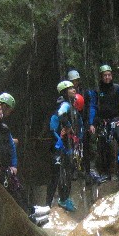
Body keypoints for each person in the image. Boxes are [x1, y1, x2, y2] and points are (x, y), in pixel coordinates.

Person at [0, 98, 49, 226]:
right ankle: (26, 219)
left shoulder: (3, 128)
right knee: (10, 195)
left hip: (6, 168)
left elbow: (11, 148)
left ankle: (30, 214)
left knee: (18, 190)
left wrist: (13, 164)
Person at [88, 64, 119, 180]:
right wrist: (91, 123)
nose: (107, 77)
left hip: (117, 120)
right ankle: (106, 173)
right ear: (101, 77)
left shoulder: (118, 88)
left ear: (112, 76)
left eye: (109, 75)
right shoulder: (96, 91)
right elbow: (93, 106)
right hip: (103, 122)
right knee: (104, 145)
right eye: (105, 75)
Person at [47, 80, 82, 212]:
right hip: (58, 144)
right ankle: (49, 203)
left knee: (67, 170)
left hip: (65, 144)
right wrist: (69, 127)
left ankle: (63, 199)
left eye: (74, 88)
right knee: (57, 174)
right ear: (64, 92)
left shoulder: (70, 105)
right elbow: (61, 115)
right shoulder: (65, 105)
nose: (74, 90)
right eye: (70, 88)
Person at [67, 69, 106, 184]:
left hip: (83, 123)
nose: (75, 83)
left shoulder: (84, 93)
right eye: (72, 81)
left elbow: (89, 108)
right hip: (71, 124)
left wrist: (90, 123)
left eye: (76, 81)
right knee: (72, 147)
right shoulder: (66, 95)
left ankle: (87, 170)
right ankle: (74, 169)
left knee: (85, 146)